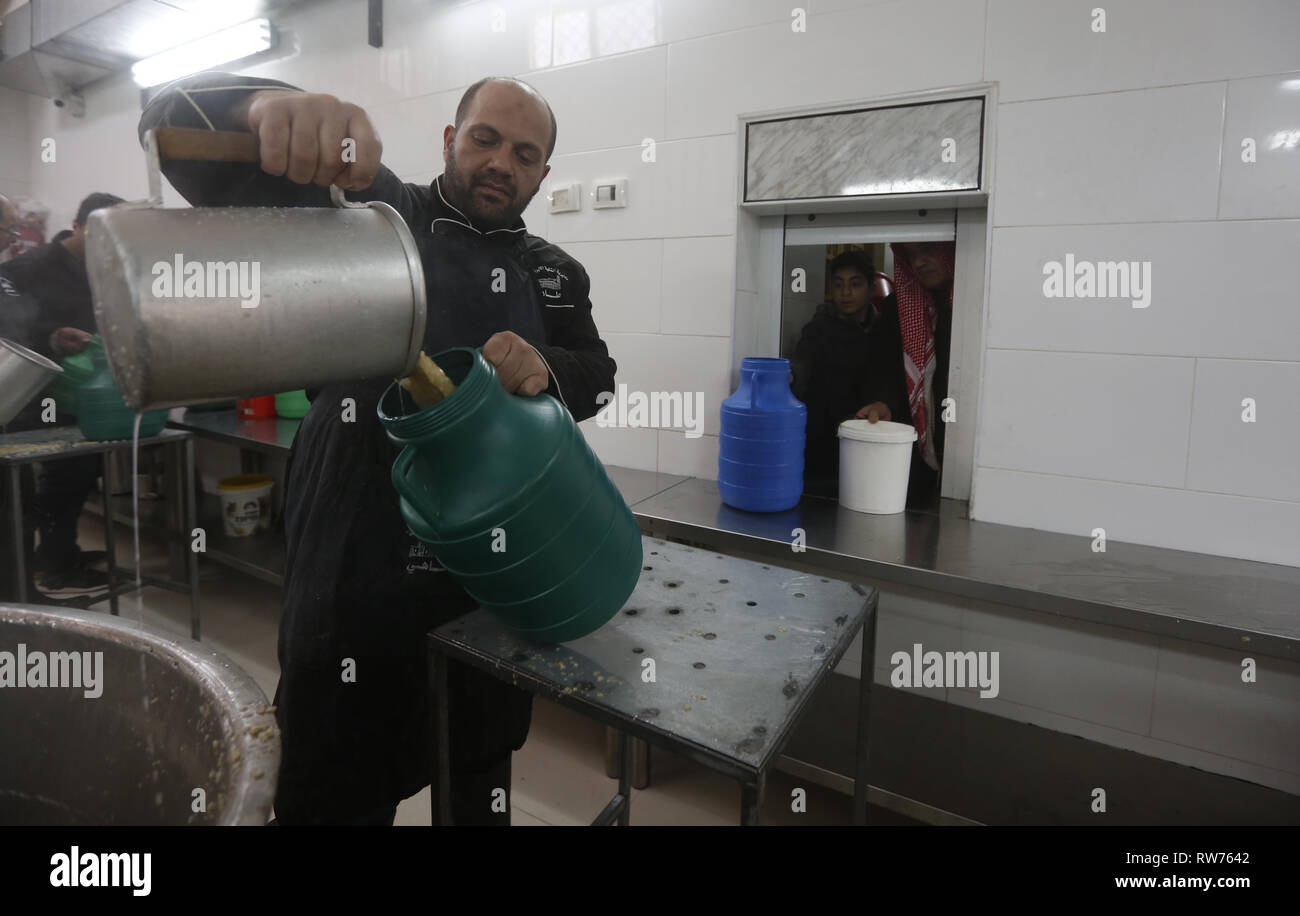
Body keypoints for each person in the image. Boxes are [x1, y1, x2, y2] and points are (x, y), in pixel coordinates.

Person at [137, 72, 616, 825]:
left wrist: (546, 367)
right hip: (359, 554)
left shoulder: (554, 273)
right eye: (485, 140)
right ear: (451, 141)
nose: (502, 163)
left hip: (489, 575)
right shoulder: (370, 213)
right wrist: (260, 108)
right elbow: (178, 130)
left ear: (543, 174)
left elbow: (598, 373)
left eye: (525, 154)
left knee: (478, 770)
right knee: (332, 786)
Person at [0, 193, 125, 594]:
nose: (10, 238)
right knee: (47, 483)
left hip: (82, 391)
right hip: (36, 394)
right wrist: (52, 336)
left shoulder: (101, 267)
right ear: (77, 226)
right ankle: (46, 570)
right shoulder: (28, 268)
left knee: (77, 474)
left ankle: (58, 555)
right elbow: (12, 329)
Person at [856, 241, 956, 508]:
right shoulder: (896, 308)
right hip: (912, 449)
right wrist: (882, 402)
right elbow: (883, 367)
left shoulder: (972, 304)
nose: (919, 262)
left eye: (926, 249)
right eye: (910, 255)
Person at [790, 249, 880, 497]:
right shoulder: (819, 328)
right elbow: (801, 362)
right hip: (821, 441)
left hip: (866, 437)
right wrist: (789, 376)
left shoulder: (881, 331)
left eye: (855, 284)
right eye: (839, 285)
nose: (846, 292)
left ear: (871, 289)